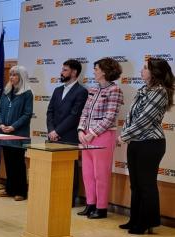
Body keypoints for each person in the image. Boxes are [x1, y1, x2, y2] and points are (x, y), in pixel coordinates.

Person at [118, 58, 174, 234]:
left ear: (155, 72)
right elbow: (131, 116)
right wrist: (127, 134)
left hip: (151, 143)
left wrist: (124, 136)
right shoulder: (143, 89)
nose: (141, 71)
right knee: (135, 184)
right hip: (136, 142)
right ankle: (135, 219)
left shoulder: (160, 92)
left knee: (146, 184)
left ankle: (146, 222)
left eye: (145, 68)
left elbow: (144, 120)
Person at [77, 58, 124, 219]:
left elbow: (110, 117)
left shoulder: (115, 90)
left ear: (104, 71)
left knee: (101, 174)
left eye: (96, 68)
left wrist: (93, 133)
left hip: (103, 136)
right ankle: (90, 204)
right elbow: (84, 112)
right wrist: (81, 131)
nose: (94, 71)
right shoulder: (93, 89)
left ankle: (101, 207)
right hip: (86, 137)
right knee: (87, 173)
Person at [46, 59, 89, 205]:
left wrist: (57, 131)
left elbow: (75, 116)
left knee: (70, 169)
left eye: (65, 70)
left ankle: (69, 200)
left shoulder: (81, 92)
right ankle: (54, 196)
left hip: (69, 136)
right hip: (53, 137)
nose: (61, 72)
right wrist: (51, 130)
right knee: (54, 168)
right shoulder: (57, 90)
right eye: (62, 69)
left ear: (74, 72)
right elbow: (49, 112)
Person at [0, 65, 33, 201]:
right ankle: (10, 188)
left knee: (18, 163)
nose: (11, 77)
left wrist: (13, 127)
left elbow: (27, 114)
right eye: (10, 75)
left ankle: (21, 191)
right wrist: (1, 124)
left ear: (21, 77)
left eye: (15, 75)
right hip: (5, 134)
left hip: (18, 134)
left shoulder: (27, 93)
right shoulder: (6, 92)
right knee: (9, 161)